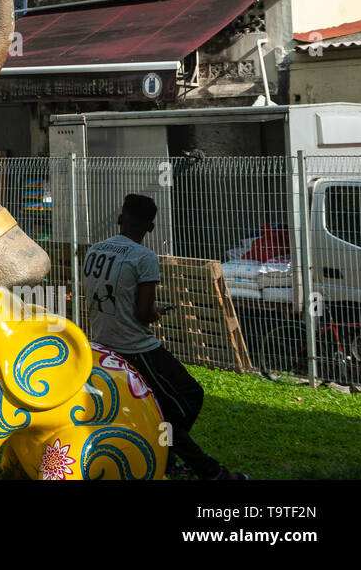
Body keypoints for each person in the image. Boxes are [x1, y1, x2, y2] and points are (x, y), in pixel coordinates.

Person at [81, 193, 245, 480]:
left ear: (120, 219)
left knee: (166, 409)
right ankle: (205, 470)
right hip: (134, 347)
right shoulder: (144, 257)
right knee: (186, 399)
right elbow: (143, 315)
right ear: (151, 227)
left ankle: (168, 456)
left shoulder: (95, 250)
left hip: (101, 344)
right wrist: (156, 313)